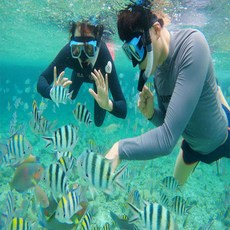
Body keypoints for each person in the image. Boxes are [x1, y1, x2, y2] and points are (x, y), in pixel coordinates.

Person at [105, 2, 230, 185]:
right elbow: (172, 123)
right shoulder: (158, 72)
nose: (136, 63)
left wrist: (119, 149)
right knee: (173, 192)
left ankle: (218, 93)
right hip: (192, 146)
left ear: (156, 30)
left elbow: (167, 140)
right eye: (128, 53)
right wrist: (152, 114)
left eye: (137, 49)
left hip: (223, 137)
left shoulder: (193, 44)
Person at [37, 18, 127, 127]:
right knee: (71, 97)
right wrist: (51, 92)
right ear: (71, 44)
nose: (82, 56)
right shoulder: (68, 52)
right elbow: (42, 80)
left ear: (98, 44)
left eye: (89, 49)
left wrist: (108, 104)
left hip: (99, 81)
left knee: (98, 122)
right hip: (78, 74)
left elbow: (123, 109)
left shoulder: (103, 56)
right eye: (76, 49)